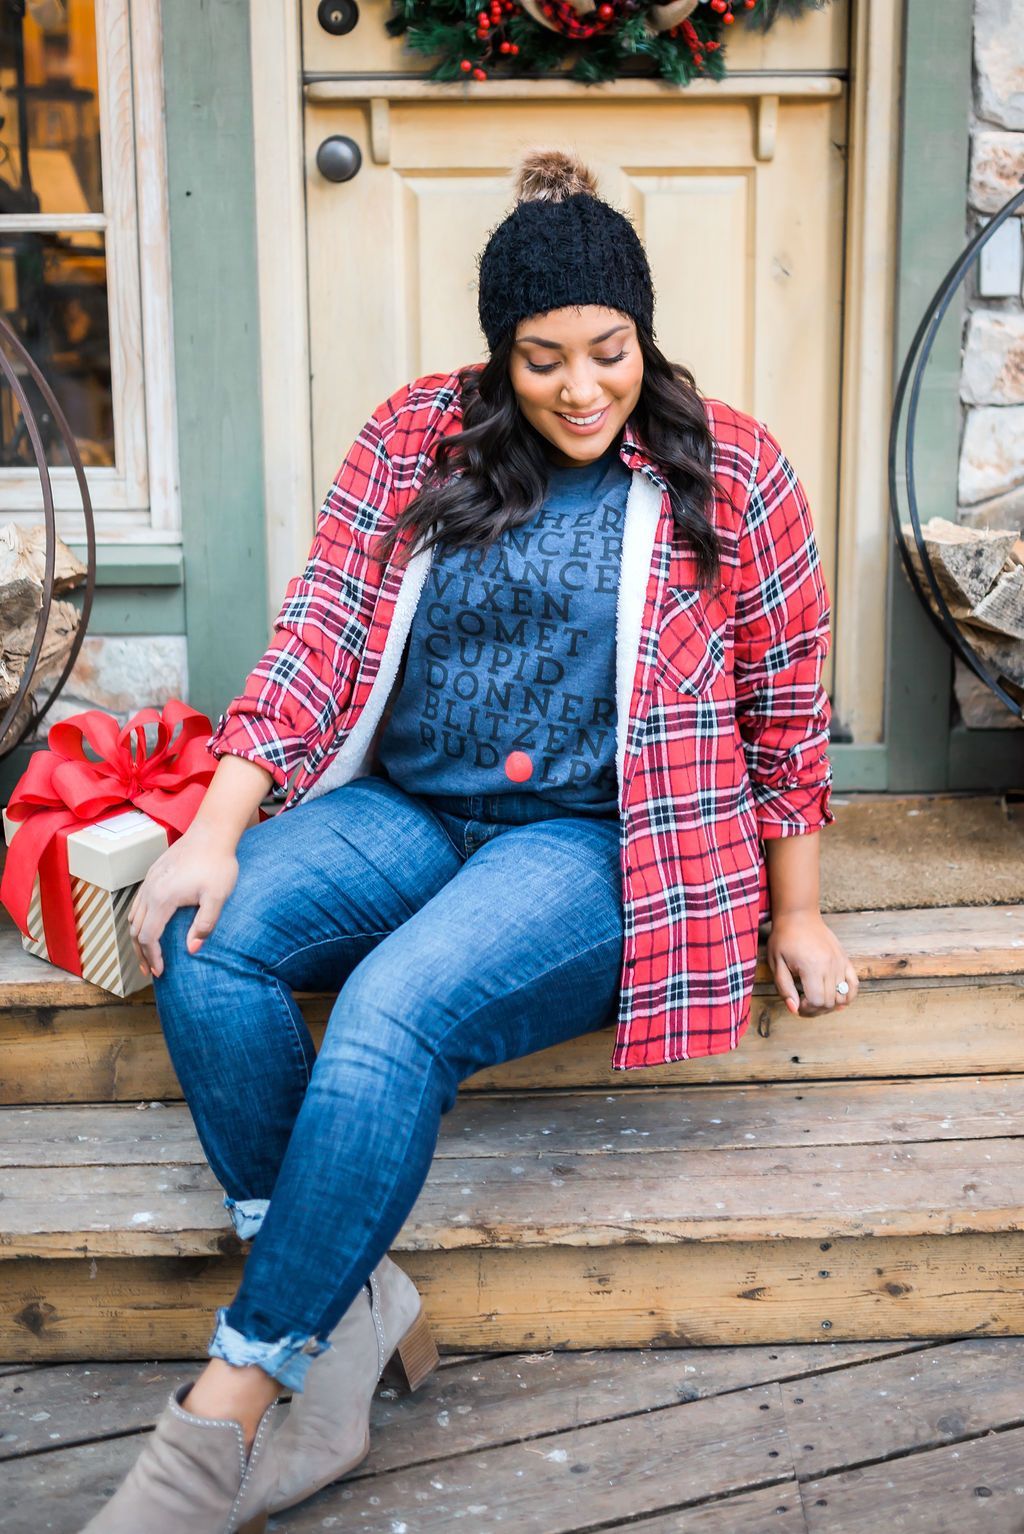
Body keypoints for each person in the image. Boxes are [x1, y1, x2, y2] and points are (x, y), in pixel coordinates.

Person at [82, 146, 859, 1533]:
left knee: (391, 1014)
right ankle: (351, 1292)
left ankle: (230, 1405)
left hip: (591, 843)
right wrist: (215, 827)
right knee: (208, 940)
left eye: (608, 352)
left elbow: (786, 703)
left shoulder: (730, 471)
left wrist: (794, 911)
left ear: (646, 334)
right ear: (500, 350)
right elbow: (322, 629)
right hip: (413, 806)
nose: (579, 388)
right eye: (542, 357)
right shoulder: (416, 436)